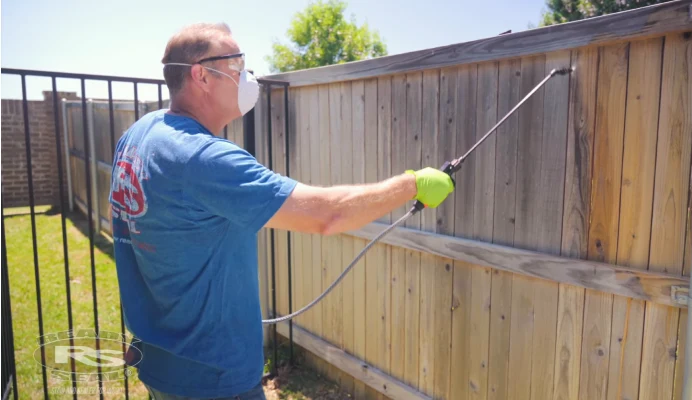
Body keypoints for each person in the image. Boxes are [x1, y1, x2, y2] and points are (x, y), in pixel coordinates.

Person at [110, 22, 454, 399]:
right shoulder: (204, 158)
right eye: (237, 67)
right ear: (200, 76)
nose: (247, 77)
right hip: (213, 378)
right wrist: (412, 184)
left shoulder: (142, 134)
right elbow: (327, 215)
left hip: (160, 365)